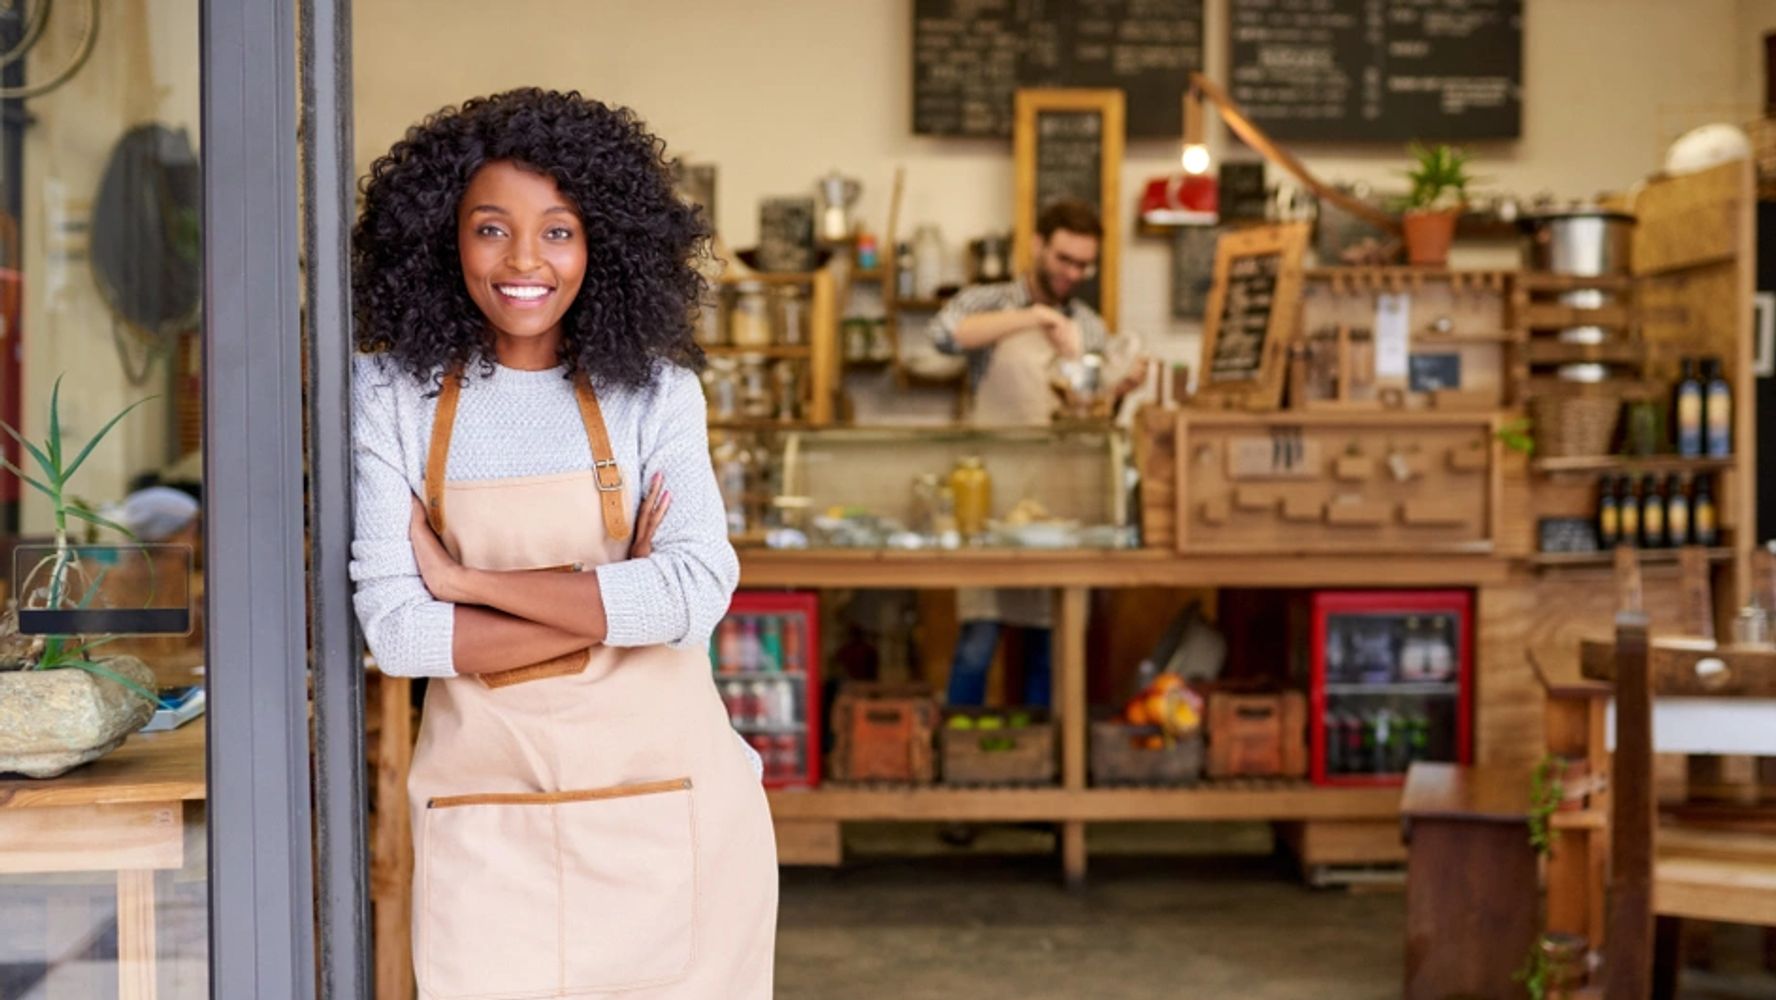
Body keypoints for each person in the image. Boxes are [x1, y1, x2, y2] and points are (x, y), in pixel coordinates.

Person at [349, 89, 775, 999]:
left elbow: (695, 593)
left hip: (677, 818)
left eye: (559, 231)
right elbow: (400, 634)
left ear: (601, 246)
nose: (524, 261)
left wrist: (466, 582)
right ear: (443, 240)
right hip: (485, 823)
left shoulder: (658, 393)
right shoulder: (387, 393)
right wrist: (617, 597)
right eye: (491, 228)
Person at [929, 199, 1146, 709]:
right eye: (1064, 259)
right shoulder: (989, 301)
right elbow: (943, 334)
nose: (1073, 273)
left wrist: (1119, 388)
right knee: (978, 643)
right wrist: (1034, 316)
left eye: (1083, 265)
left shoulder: (1090, 327)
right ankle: (961, 762)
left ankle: (1039, 762)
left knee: (1052, 643)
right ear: (1037, 246)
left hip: (1056, 504)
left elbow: (1086, 410)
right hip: (989, 498)